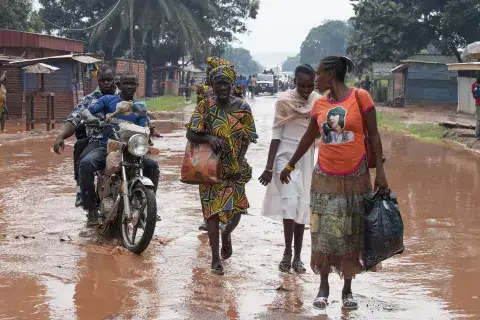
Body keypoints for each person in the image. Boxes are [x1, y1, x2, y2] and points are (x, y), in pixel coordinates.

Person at [279, 56, 388, 310]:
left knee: (352, 232)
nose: (316, 79)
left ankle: (348, 289)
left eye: (319, 74)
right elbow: (308, 138)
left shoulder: (361, 98)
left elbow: (374, 135)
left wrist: (381, 173)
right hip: (324, 179)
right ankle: (323, 286)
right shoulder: (319, 105)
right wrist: (289, 164)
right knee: (324, 233)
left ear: (331, 74)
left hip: (356, 177)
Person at [186, 58, 258, 275]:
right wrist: (208, 137)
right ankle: (215, 257)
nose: (223, 88)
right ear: (213, 86)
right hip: (209, 168)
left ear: (233, 84)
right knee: (211, 212)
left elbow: (248, 137)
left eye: (226, 83)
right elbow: (191, 133)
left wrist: (240, 159)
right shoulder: (205, 106)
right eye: (218, 84)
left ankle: (227, 234)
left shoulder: (243, 108)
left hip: (234, 167)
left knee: (237, 209)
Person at [259, 64, 320, 274]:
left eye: (309, 86)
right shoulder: (284, 101)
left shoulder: (318, 102)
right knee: (289, 203)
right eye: (301, 85)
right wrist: (268, 167)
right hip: (284, 156)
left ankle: (298, 257)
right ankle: (286, 251)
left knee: (302, 206)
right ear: (295, 82)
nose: (305, 90)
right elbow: (276, 135)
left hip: (306, 157)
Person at [79, 72, 160, 226]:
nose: (129, 86)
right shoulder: (107, 100)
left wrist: (148, 130)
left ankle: (148, 206)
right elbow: (86, 111)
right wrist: (91, 118)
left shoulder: (139, 107)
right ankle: (91, 210)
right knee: (86, 163)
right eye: (125, 83)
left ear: (137, 86)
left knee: (153, 166)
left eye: (132, 83)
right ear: (119, 85)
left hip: (131, 149)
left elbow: (143, 126)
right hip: (108, 146)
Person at [53, 65, 117, 208]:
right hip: (97, 141)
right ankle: (87, 201)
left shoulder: (123, 97)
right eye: (102, 80)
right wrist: (60, 136)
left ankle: (147, 204)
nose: (106, 83)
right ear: (97, 81)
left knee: (148, 163)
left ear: (114, 80)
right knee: (85, 161)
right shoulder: (89, 100)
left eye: (109, 80)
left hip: (122, 141)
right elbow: (74, 118)